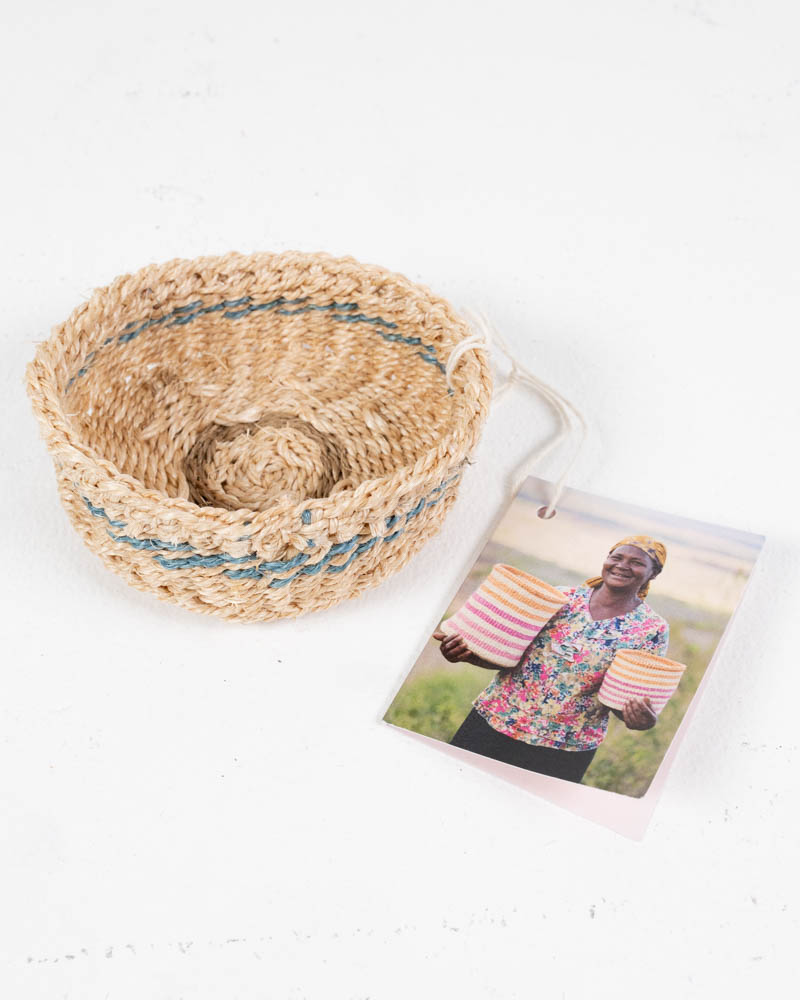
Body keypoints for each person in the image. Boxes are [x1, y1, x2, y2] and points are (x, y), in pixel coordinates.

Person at [432, 536, 670, 784]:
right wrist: (468, 656)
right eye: (616, 557)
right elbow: (509, 658)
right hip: (496, 720)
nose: (622, 565)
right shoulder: (559, 598)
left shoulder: (650, 628)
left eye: (636, 562)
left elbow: (626, 699)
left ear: (653, 573)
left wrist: (641, 720)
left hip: (564, 748)